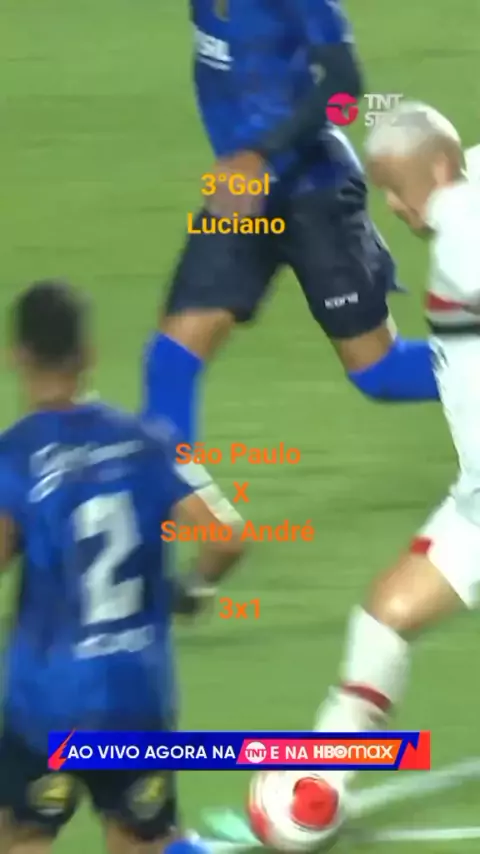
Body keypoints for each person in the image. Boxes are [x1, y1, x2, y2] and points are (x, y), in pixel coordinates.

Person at [287, 102, 480, 844]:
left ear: (438, 170)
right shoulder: (463, 190)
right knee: (385, 616)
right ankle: (322, 782)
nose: (394, 208)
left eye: (398, 190)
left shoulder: (460, 228)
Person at [0, 281, 244, 854]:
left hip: (47, 705)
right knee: (144, 840)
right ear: (88, 353)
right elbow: (227, 537)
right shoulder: (148, 440)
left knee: (20, 835)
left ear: (18, 356)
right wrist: (193, 588)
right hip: (138, 697)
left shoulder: (15, 455)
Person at [142, 0, 440, 450]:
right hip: (243, 198)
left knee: (380, 371)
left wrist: (261, 153)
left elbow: (345, 86)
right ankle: (171, 495)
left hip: (316, 194)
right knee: (170, 360)